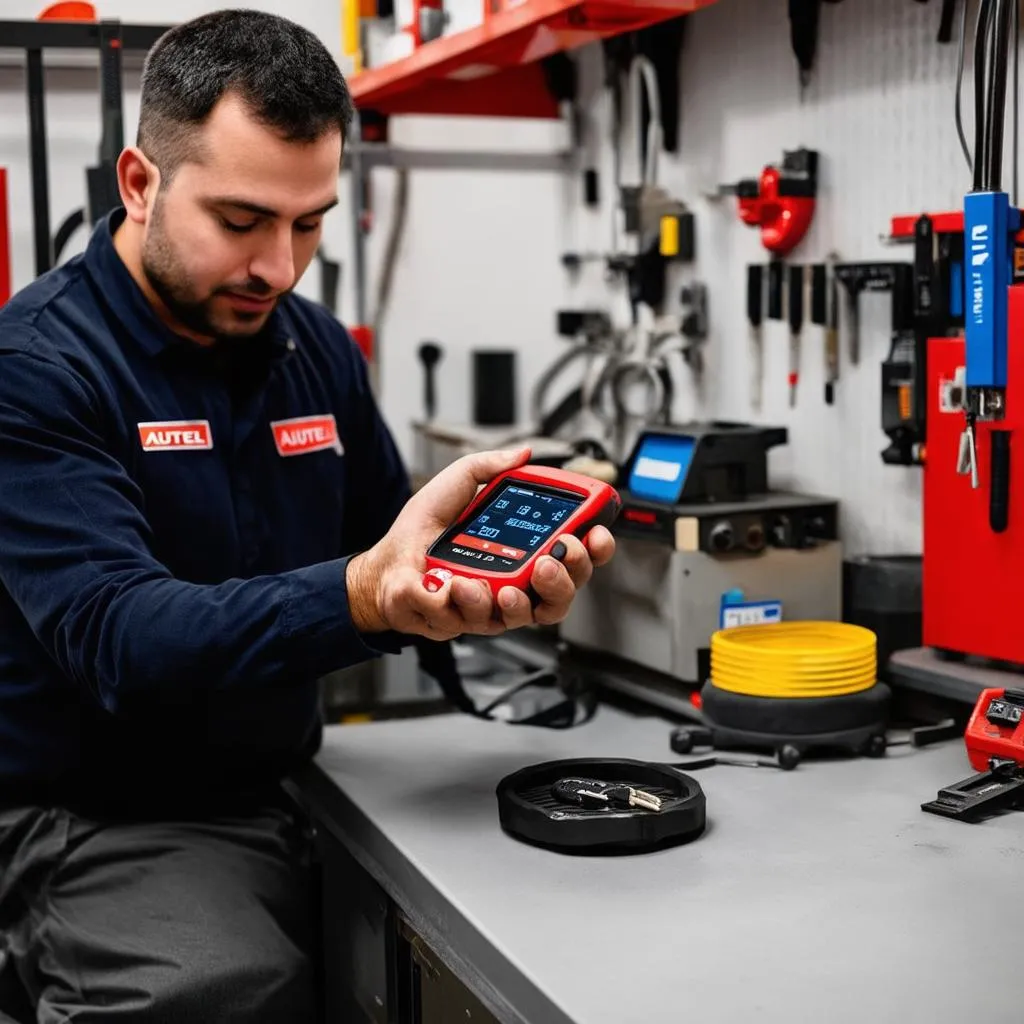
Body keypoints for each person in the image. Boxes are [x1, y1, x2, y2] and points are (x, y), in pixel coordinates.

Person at [0, 9, 614, 1022]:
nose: (279, 269)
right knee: (222, 991)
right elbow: (117, 634)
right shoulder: (38, 370)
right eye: (241, 221)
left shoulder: (312, 347)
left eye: (310, 221)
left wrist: (470, 594)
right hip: (96, 815)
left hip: (283, 784)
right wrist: (368, 593)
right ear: (139, 181)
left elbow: (389, 541)